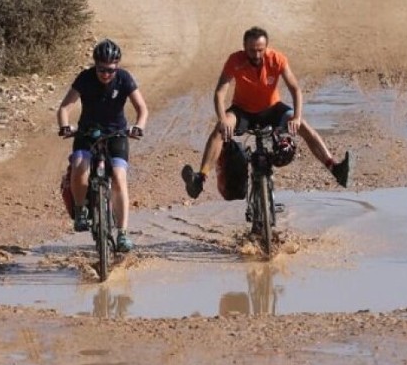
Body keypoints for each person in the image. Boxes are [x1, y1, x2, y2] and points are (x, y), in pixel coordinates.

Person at [181, 26, 350, 199]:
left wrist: (297, 117)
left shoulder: (276, 59)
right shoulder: (235, 60)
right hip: (242, 111)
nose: (256, 55)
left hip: (273, 109)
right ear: (244, 47)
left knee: (304, 126)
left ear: (266, 47)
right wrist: (223, 119)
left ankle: (335, 168)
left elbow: (295, 89)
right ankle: (200, 180)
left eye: (260, 50)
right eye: (251, 50)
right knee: (219, 129)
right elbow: (219, 93)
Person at [57, 38, 148, 253]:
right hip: (87, 133)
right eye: (101, 69)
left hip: (116, 134)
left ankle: (123, 233)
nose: (106, 74)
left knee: (118, 176)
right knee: (80, 164)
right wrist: (64, 126)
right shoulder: (85, 79)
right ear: (95, 65)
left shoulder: (124, 79)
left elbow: (142, 108)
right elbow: (64, 108)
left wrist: (139, 127)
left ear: (117, 67)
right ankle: (81, 212)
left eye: (110, 70)